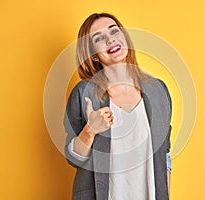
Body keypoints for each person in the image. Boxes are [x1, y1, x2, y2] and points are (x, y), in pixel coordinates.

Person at [64, 12, 172, 200]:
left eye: (114, 31)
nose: (110, 39)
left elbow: (165, 156)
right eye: (99, 38)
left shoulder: (158, 90)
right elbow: (73, 158)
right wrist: (90, 130)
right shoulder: (84, 93)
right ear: (93, 55)